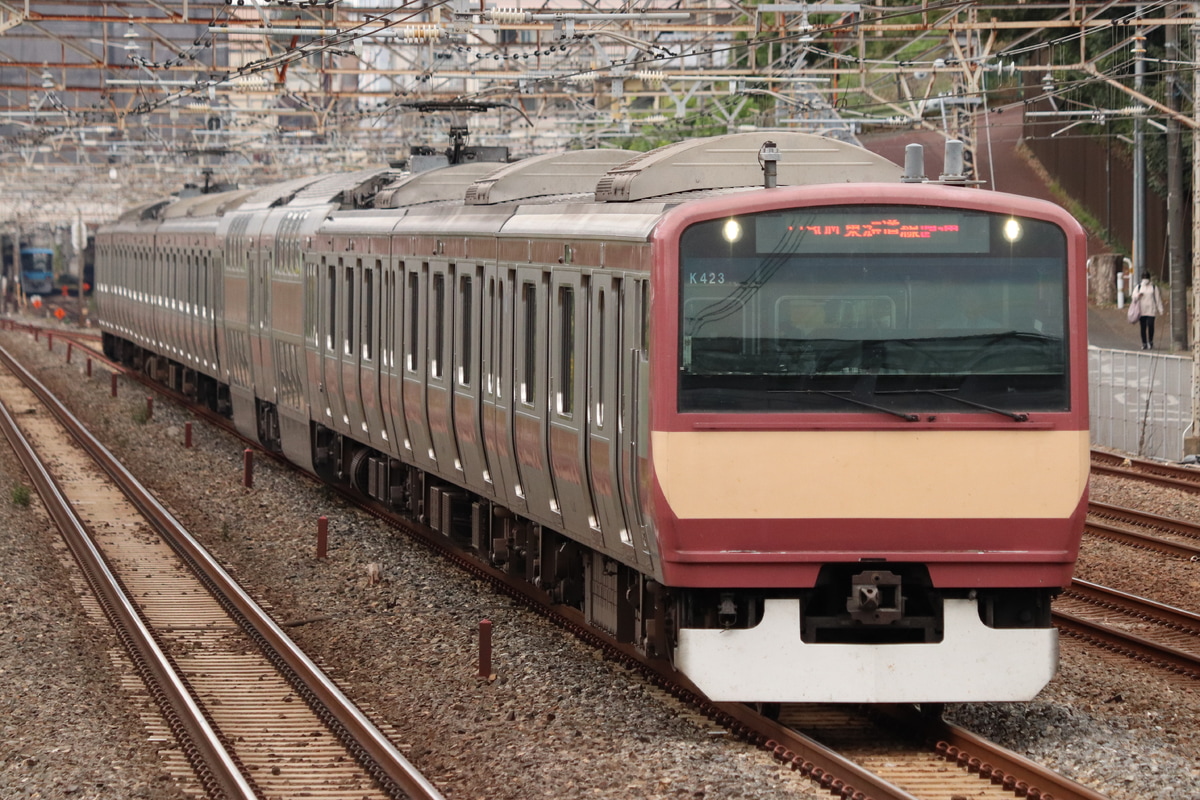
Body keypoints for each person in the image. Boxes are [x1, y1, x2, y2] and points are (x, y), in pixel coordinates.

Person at [1130, 274, 1164, 350]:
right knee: (1143, 327)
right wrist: (1138, 295)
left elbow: (1158, 299)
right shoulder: (1138, 287)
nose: (1145, 280)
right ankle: (1144, 343)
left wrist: (1160, 309)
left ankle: (1151, 341)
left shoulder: (1154, 287)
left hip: (1151, 309)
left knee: (1151, 325)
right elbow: (1133, 297)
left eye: (1146, 278)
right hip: (1141, 310)